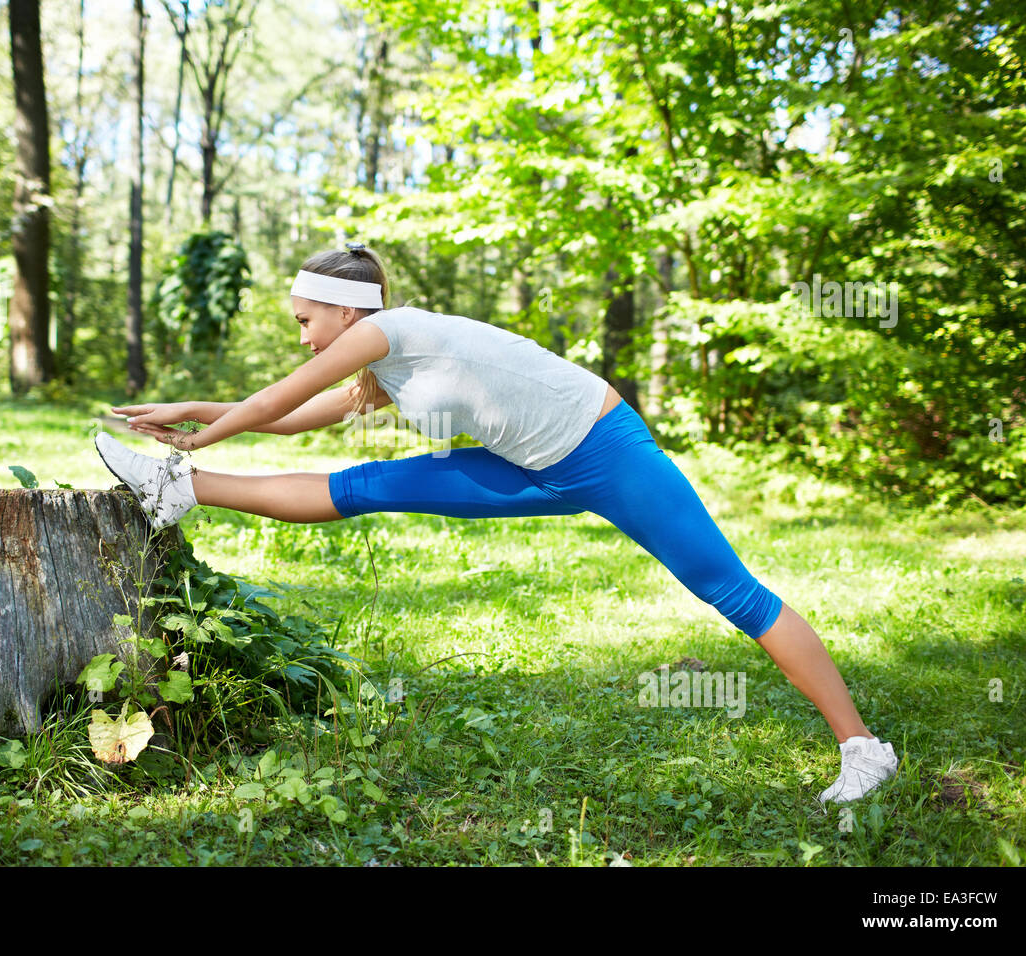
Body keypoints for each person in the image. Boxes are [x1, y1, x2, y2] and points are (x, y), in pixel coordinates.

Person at [94, 242, 899, 806]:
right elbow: (295, 420)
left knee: (730, 591)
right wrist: (191, 413)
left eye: (306, 319)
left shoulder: (383, 331)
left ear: (343, 312)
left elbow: (277, 395)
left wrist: (207, 423)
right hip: (534, 470)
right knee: (367, 484)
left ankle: (864, 749)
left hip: (606, 452)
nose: (302, 335)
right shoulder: (382, 358)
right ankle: (185, 488)